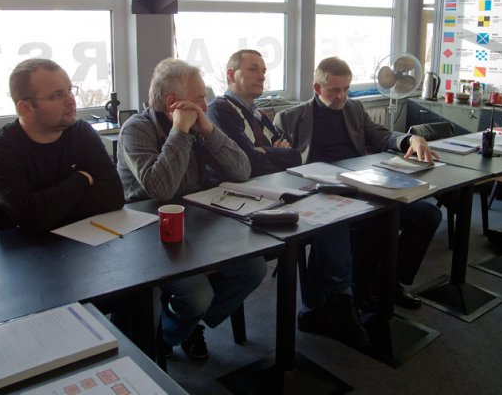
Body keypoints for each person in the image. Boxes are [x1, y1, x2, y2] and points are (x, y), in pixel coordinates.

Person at [207, 49, 370, 349]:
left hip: (273, 191)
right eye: (253, 69)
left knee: (337, 212)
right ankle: (334, 300)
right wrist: (271, 153)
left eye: (263, 69)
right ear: (230, 75)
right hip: (241, 201)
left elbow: (293, 155)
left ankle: (331, 300)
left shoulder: (257, 113)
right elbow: (248, 163)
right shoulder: (220, 110)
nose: (262, 75)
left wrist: (266, 153)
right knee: (330, 216)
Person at [117, 57, 267, 360]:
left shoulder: (200, 123)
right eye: (199, 98)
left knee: (253, 269)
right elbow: (161, 190)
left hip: (196, 224)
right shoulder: (136, 130)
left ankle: (178, 326)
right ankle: (175, 329)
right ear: (173, 102)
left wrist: (209, 131)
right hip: (149, 233)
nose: (205, 104)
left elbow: (242, 171)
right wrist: (180, 131)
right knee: (198, 295)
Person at [274, 56, 442, 310]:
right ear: (317, 88)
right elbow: (280, 166)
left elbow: (381, 136)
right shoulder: (290, 118)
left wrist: (410, 140)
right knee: (351, 223)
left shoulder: (354, 109)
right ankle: (341, 297)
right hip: (319, 192)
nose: (341, 96)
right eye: (334, 90)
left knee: (427, 214)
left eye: (346, 89)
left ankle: (388, 282)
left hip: (360, 184)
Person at [0, 58, 124, 233]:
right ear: (26, 108)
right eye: (57, 95)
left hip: (79, 238)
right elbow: (32, 219)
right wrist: (82, 179)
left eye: (70, 90)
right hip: (16, 246)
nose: (71, 101)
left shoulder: (82, 132)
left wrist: (51, 209)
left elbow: (114, 196)